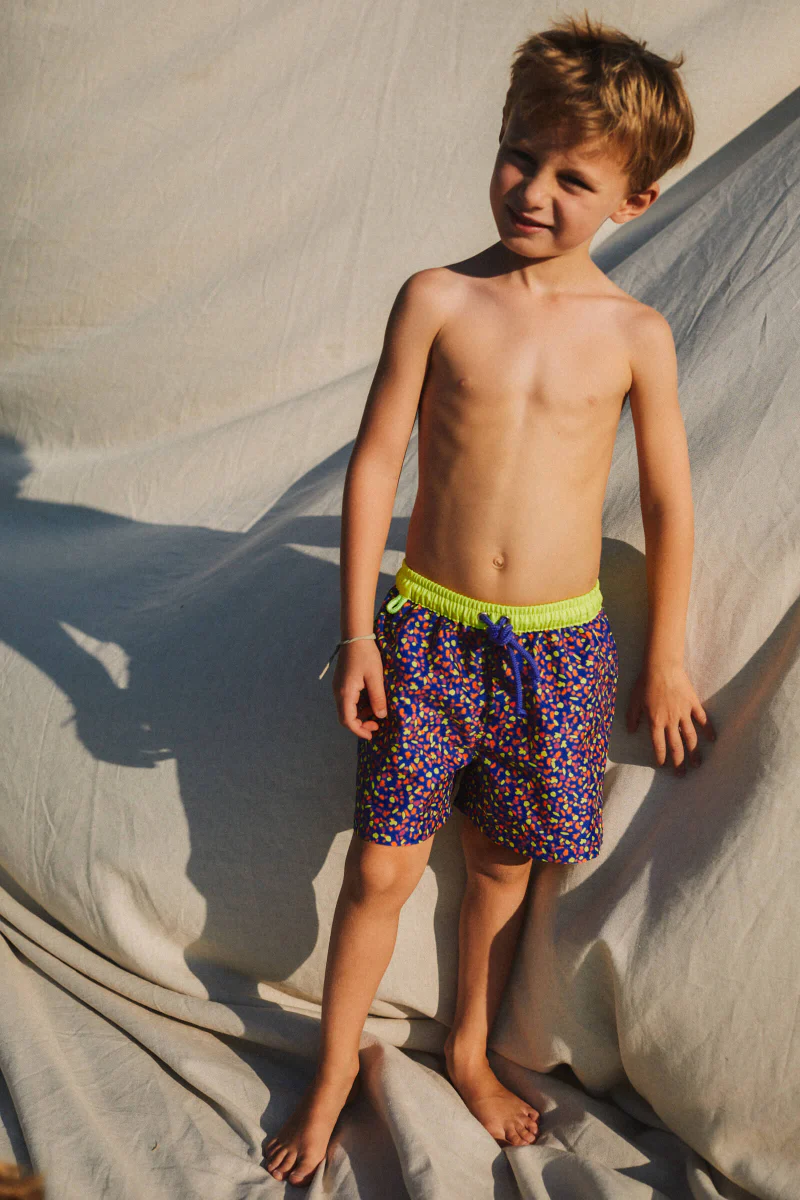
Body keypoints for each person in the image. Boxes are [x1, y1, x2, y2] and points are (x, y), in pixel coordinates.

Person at [265, 11, 717, 1186]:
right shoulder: (436, 298)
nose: (533, 190)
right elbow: (376, 462)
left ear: (633, 201)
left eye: (572, 178)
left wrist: (663, 659)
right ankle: (331, 1072)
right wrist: (358, 632)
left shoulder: (634, 334)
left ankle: (467, 1047)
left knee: (505, 867)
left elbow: (667, 503)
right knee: (381, 867)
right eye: (520, 155)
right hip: (425, 634)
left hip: (558, 655)